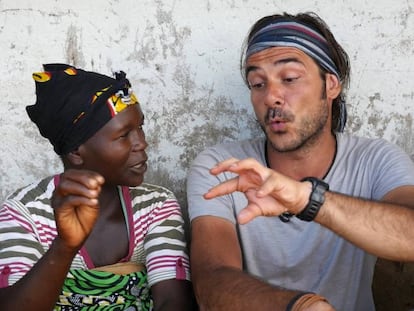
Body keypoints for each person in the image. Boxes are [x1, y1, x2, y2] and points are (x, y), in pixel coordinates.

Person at [186, 12, 414, 311]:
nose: (271, 97)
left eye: (290, 79)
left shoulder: (374, 160)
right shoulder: (222, 167)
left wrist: (308, 200)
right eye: (257, 84)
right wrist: (300, 306)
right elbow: (210, 281)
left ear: (331, 85)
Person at [0, 64, 196, 310]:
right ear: (75, 152)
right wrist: (64, 246)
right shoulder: (25, 212)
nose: (142, 143)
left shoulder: (156, 205)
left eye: (141, 127)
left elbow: (173, 302)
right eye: (124, 135)